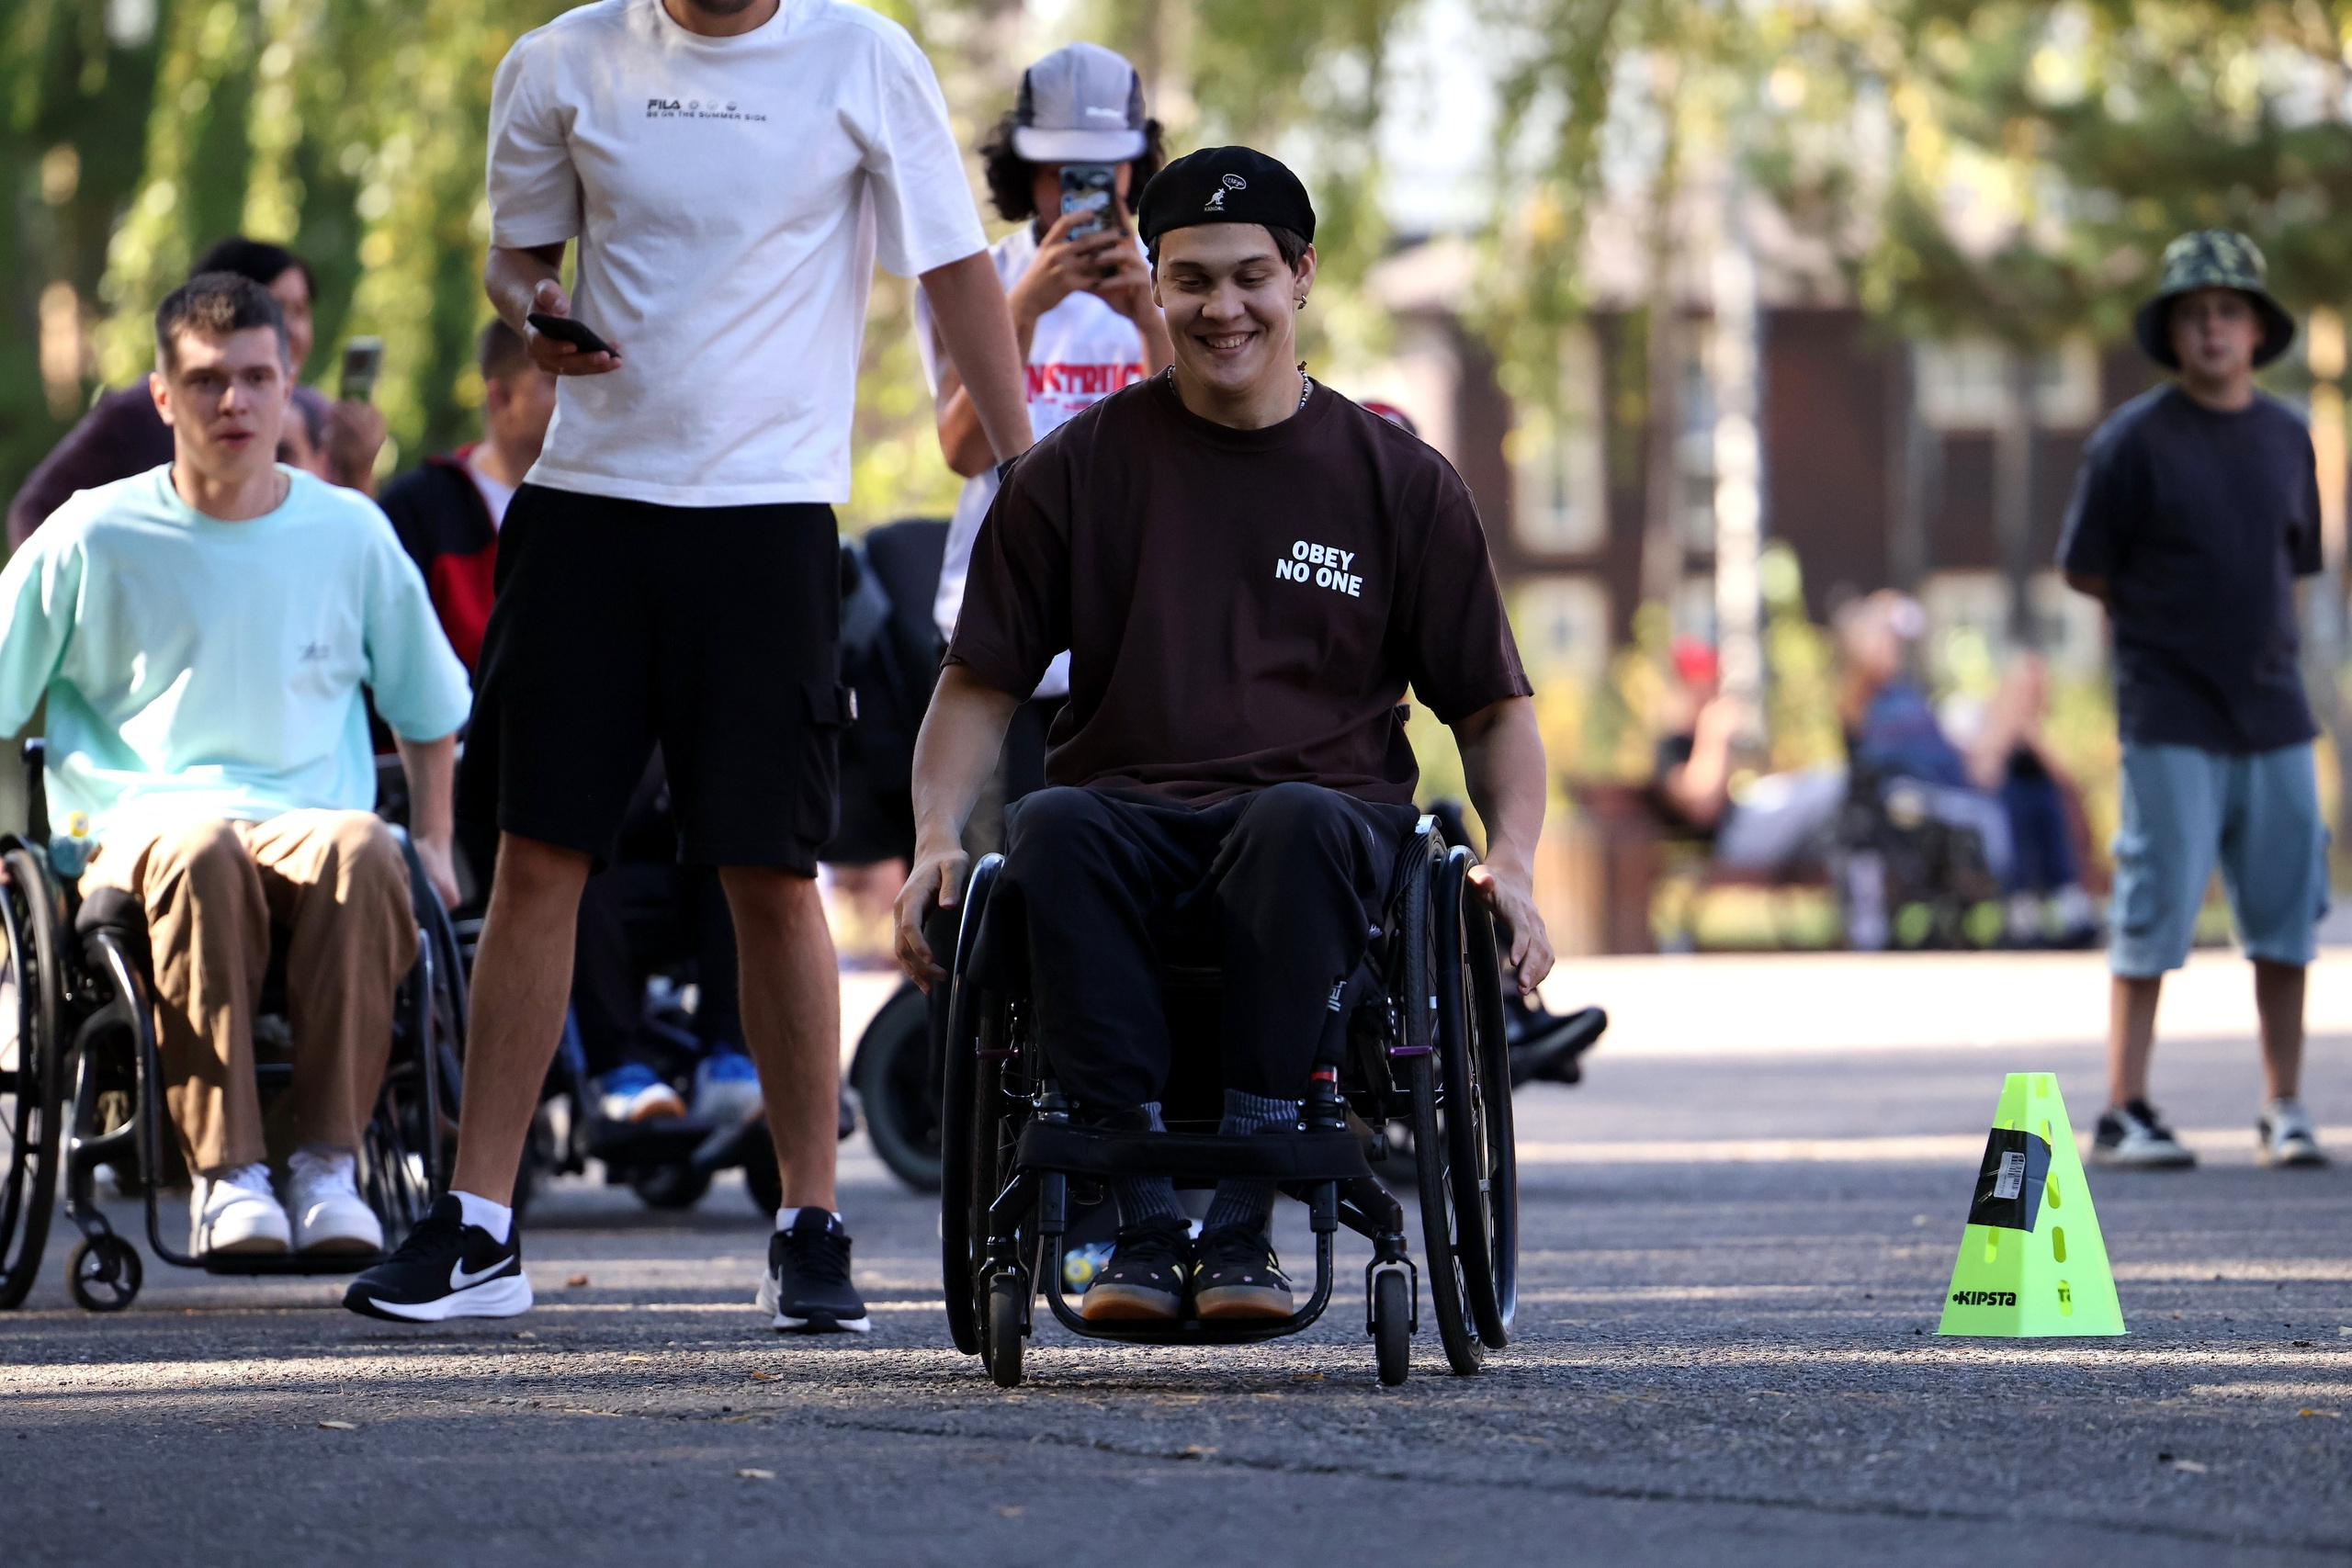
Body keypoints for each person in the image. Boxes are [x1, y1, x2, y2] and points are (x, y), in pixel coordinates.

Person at [344, 0, 1034, 1330]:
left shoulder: (863, 55)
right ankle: (481, 1226)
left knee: (768, 870)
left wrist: (1028, 477)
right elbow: (514, 257)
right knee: (538, 853)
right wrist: (532, 304)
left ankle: (810, 1217)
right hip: (590, 506)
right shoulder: (558, 61)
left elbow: (955, 271)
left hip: (766, 521)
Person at [893, 147, 1552, 1325]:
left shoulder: (1396, 480)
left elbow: (1495, 709)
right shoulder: (1075, 471)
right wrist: (935, 836)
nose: (1221, 308)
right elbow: (977, 686)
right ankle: (1144, 1229)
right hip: (1126, 823)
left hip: (1324, 828)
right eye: (1189, 280)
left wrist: (1522, 865)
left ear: (1301, 276)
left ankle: (1244, 1227)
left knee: (1293, 815)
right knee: (1048, 822)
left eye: (1250, 276)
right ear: (1153, 286)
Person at [0, 273, 470, 1258]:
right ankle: (228, 1175)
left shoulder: (349, 531)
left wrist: (432, 836)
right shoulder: (92, 531)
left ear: (290, 383)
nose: (235, 403)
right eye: (209, 381)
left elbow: (430, 711)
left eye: (258, 378)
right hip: (136, 830)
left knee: (360, 845)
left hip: (304, 822)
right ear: (163, 396)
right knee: (201, 843)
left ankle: (327, 1168)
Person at [2059, 229, 2330, 1170]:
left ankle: (2283, 1105)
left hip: (2272, 711)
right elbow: (2084, 567)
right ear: (2172, 332)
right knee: (2154, 905)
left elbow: (2289, 568)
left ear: (2256, 329)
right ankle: (2125, 1107)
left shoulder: (2287, 437)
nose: (2211, 329)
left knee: (2287, 913)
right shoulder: (2132, 441)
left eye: (2227, 312)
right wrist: (2163, 629)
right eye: (2193, 315)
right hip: (2169, 709)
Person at [8, 238, 387, 545]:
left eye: (301, 311)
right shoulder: (137, 412)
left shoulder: (318, 412)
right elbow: (36, 510)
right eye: (274, 308)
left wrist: (359, 470)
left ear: (285, 391)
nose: (293, 330)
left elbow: (346, 543)